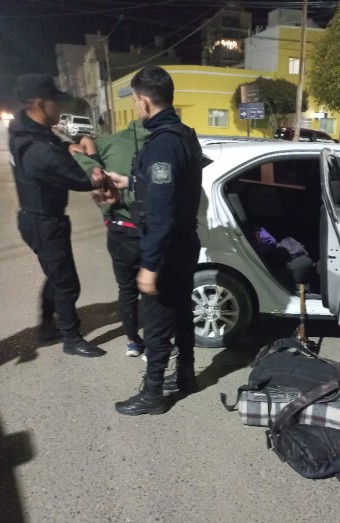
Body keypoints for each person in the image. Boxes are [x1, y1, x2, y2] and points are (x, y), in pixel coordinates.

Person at [108, 66, 203, 416]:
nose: (136, 107)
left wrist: (149, 265)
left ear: (144, 102)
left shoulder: (162, 144)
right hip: (184, 242)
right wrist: (130, 182)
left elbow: (161, 210)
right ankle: (187, 375)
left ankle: (152, 395)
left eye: (135, 101)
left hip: (167, 250)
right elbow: (173, 185)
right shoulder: (184, 135)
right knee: (181, 312)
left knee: (158, 322)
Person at [9, 74, 114, 357]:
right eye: (56, 101)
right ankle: (72, 338)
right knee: (66, 283)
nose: (60, 107)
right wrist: (93, 159)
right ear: (41, 104)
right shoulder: (38, 150)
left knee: (55, 275)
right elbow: (83, 179)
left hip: (36, 218)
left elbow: (56, 146)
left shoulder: (26, 131)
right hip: (45, 222)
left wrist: (68, 145)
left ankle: (46, 327)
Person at [72, 120, 150, 357]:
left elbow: (76, 147)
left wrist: (92, 166)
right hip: (148, 231)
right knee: (151, 290)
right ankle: (154, 344)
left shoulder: (109, 142)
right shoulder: (162, 145)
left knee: (126, 290)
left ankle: (133, 341)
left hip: (118, 229)